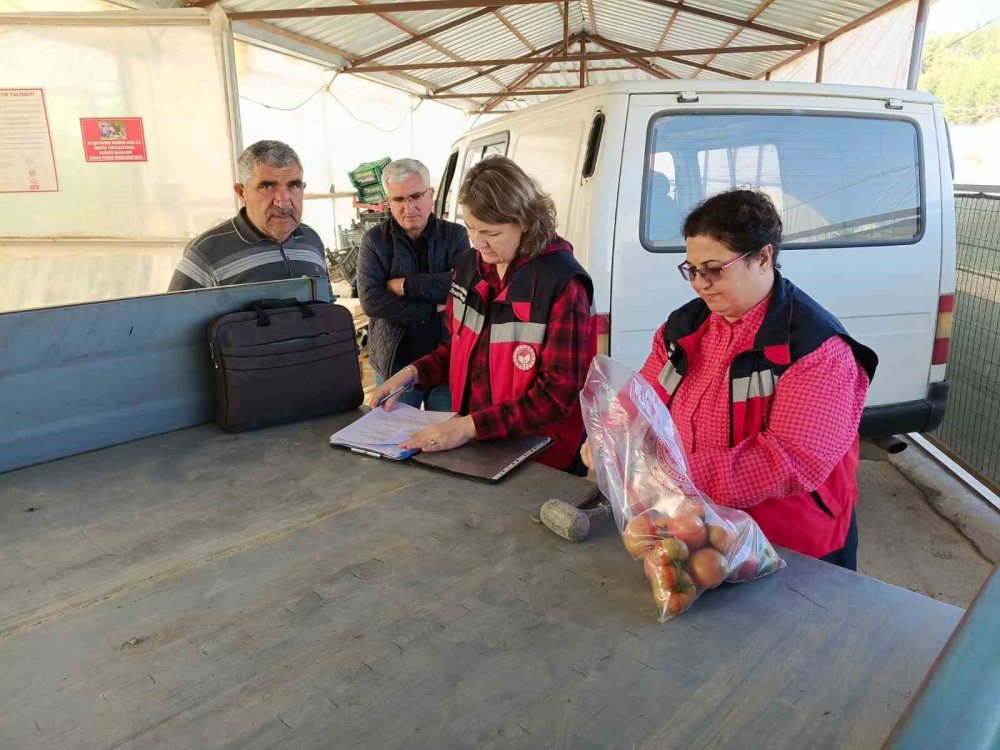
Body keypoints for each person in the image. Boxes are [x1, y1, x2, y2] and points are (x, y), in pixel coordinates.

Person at [585, 189, 877, 569]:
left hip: (791, 546)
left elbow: (789, 460)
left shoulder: (816, 349)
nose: (700, 283)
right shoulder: (685, 328)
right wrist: (609, 438)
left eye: (714, 268)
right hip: (702, 529)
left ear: (764, 257)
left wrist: (668, 473)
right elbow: (643, 401)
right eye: (692, 269)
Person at [369, 157, 595, 474]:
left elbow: (556, 395)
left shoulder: (562, 285)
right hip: (483, 446)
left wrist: (467, 427)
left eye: (491, 232)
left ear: (526, 221)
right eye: (471, 229)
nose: (479, 243)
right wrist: (412, 374)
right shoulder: (468, 268)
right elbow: (458, 349)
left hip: (543, 458)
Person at [357, 158, 471, 411]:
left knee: (444, 432)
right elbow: (372, 301)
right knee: (392, 436)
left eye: (415, 196)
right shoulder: (375, 241)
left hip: (447, 357)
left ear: (431, 194)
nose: (409, 207)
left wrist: (405, 286)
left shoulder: (456, 235)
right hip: (395, 360)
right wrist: (431, 309)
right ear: (388, 201)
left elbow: (464, 287)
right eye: (398, 200)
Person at [168, 140, 328, 291]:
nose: (284, 202)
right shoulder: (206, 253)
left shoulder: (311, 239)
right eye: (267, 187)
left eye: (294, 185)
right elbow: (175, 318)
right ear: (241, 192)